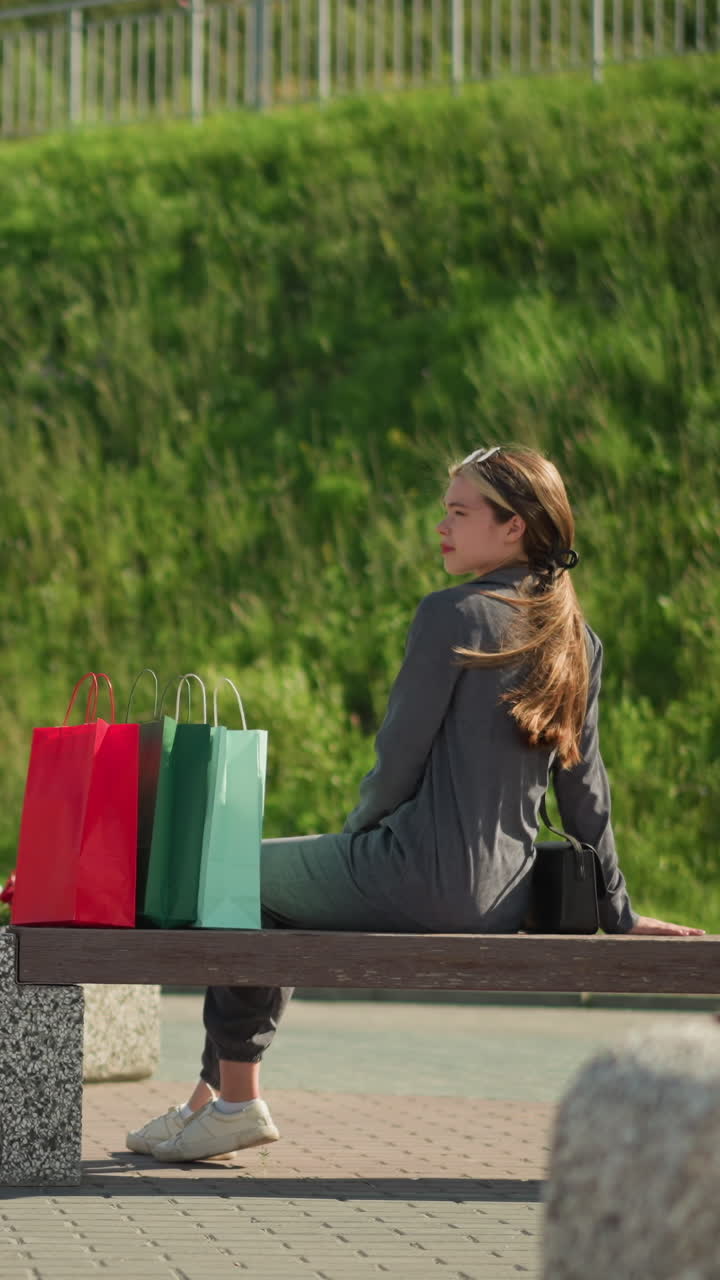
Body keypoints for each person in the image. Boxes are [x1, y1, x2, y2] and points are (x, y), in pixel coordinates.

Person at [127, 443, 703, 1163]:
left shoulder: (452, 615)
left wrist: (357, 839)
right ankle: (206, 1103)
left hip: (415, 873)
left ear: (513, 526)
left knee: (231, 882)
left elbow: (398, 759)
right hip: (500, 901)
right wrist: (619, 915)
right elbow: (585, 791)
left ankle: (236, 1100)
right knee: (282, 896)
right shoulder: (575, 638)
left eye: (459, 512)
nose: (443, 526)